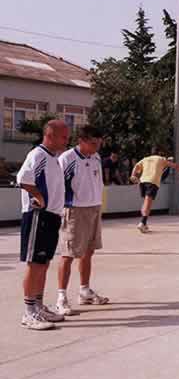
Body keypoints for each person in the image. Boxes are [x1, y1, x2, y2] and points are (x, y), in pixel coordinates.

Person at [16, 120, 70, 330]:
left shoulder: (53, 158)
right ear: (50, 136)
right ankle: (28, 312)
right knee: (35, 263)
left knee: (44, 262)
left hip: (51, 216)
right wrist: (39, 196)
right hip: (38, 215)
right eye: (63, 137)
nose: (67, 140)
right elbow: (23, 178)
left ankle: (38, 306)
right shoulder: (38, 155)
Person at [55, 125, 109, 316]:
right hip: (74, 210)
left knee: (89, 251)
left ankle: (84, 290)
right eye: (93, 143)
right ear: (81, 141)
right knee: (68, 254)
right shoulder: (67, 159)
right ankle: (61, 298)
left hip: (94, 208)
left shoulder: (96, 157)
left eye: (99, 143)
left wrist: (99, 204)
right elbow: (57, 186)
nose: (97, 147)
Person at [131, 153, 179, 233]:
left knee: (146, 202)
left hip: (142, 182)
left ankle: (144, 224)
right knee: (148, 203)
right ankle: (142, 222)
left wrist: (133, 175)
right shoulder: (161, 159)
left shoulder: (145, 159)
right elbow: (175, 166)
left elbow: (136, 166)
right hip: (152, 181)